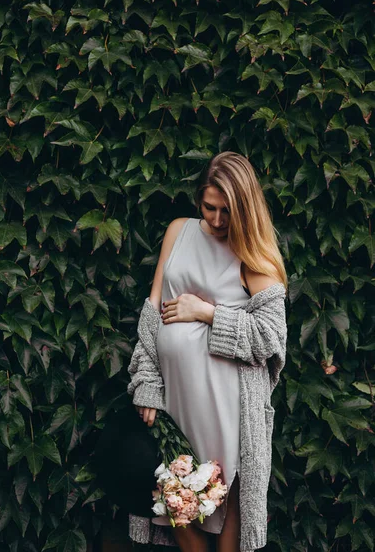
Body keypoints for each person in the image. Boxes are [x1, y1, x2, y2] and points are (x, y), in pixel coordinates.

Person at [127, 151, 288, 552]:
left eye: (227, 211)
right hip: (176, 404)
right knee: (176, 497)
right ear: (198, 199)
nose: (217, 220)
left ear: (245, 208)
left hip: (227, 409)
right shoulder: (178, 231)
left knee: (226, 506)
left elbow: (271, 337)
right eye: (209, 207)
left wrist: (207, 312)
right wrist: (147, 382)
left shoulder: (253, 255)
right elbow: (152, 315)